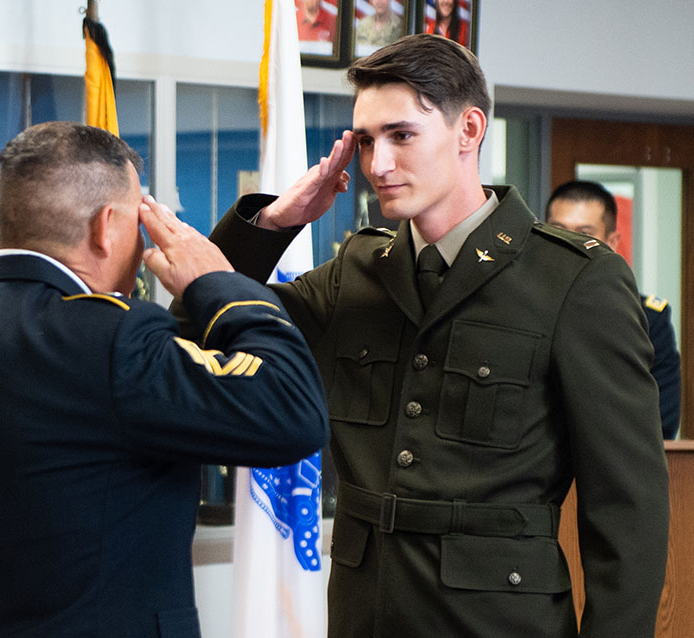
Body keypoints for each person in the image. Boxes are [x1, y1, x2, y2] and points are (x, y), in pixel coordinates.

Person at [196, 34, 669, 637]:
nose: (377, 164)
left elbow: (628, 510)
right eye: (365, 141)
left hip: (496, 622)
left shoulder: (573, 280)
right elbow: (210, 334)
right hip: (361, 617)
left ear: (469, 129)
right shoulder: (357, 271)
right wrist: (271, 223)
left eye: (401, 135)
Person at [0, 122, 330, 638]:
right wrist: (213, 281)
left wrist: (256, 233)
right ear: (106, 226)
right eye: (141, 222)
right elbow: (290, 408)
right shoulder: (114, 345)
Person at [546, 179, 681, 439]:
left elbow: (661, 421)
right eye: (557, 230)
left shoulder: (647, 319)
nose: (569, 243)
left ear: (612, 241)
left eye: (585, 234)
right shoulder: (522, 304)